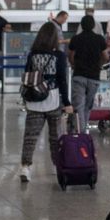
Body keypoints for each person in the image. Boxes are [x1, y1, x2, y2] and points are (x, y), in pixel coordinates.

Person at [20, 22, 73, 182]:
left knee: (30, 136)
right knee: (55, 137)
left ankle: (25, 167)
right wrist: (67, 102)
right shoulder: (59, 56)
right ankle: (59, 166)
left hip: (34, 98)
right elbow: (62, 81)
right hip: (53, 99)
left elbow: (27, 76)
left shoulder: (32, 55)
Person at [68, 15, 108, 132]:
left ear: (81, 25)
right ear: (94, 25)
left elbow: (70, 55)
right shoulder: (99, 39)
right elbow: (106, 56)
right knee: (88, 105)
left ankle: (81, 131)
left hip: (79, 75)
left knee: (78, 106)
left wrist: (74, 65)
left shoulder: (76, 38)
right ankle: (83, 129)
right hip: (94, 77)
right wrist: (99, 65)